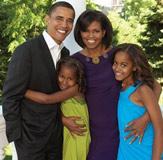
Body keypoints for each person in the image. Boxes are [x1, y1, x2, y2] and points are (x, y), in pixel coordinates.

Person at [66, 10, 161, 160]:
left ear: (104, 32)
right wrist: (63, 119)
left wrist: (146, 117)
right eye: (85, 31)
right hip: (95, 134)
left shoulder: (117, 55)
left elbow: (155, 86)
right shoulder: (74, 62)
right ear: (79, 32)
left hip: (123, 131)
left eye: (96, 31)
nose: (90, 36)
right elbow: (59, 94)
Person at [2, 2, 76, 160]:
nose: (64, 24)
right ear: (47, 19)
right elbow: (10, 97)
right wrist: (17, 138)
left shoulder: (65, 53)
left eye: (70, 20)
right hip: (29, 140)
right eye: (59, 18)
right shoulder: (26, 51)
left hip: (55, 138)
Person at [25, 57, 91, 160]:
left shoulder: (76, 89)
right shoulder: (63, 90)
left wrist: (22, 90)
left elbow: (47, 99)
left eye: (70, 79)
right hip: (70, 133)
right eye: (61, 76)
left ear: (78, 79)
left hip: (77, 135)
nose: (64, 82)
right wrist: (63, 119)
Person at [112, 43, 163, 160]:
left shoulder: (142, 90)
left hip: (146, 154)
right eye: (115, 63)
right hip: (126, 154)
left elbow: (159, 129)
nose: (117, 68)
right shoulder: (120, 87)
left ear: (135, 67)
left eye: (123, 65)